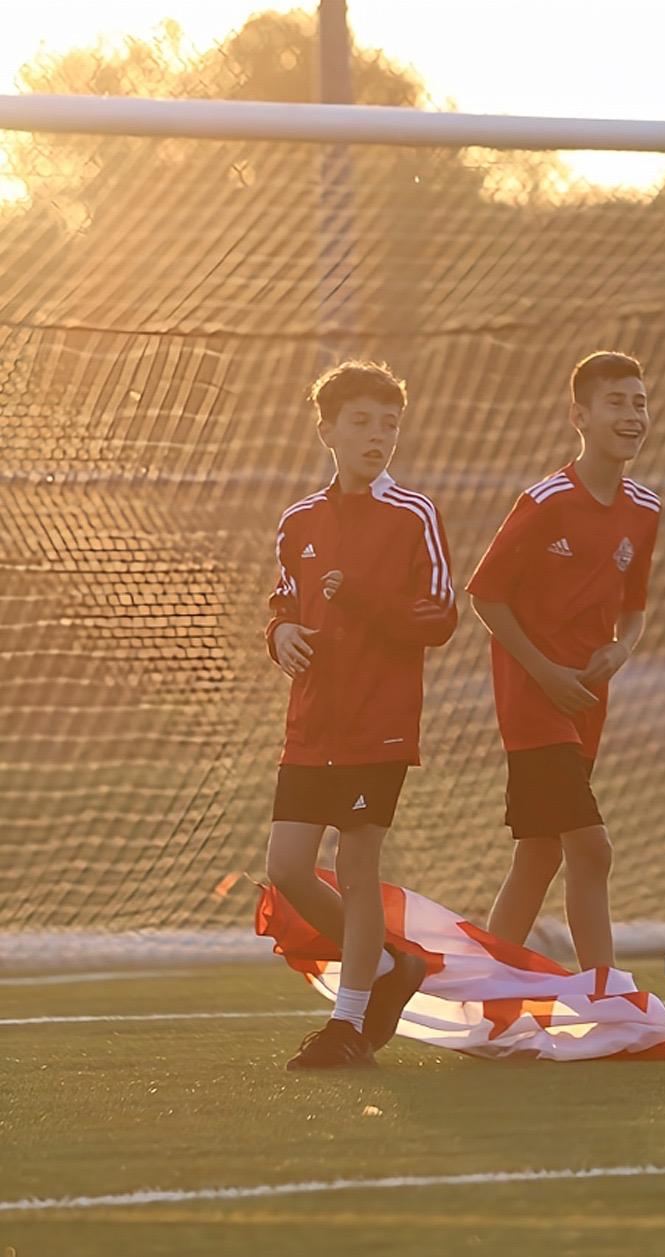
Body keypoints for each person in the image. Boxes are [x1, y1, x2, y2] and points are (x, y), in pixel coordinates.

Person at [264, 360, 456, 1069]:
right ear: (328, 431)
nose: (379, 435)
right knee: (286, 866)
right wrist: (280, 633)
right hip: (312, 722)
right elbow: (284, 600)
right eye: (363, 422)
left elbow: (441, 615)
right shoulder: (298, 520)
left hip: (379, 723)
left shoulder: (414, 514)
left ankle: (349, 1025)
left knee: (356, 865)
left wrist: (365, 597)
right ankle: (385, 967)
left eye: (390, 423)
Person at [467, 352, 660, 971]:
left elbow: (634, 608)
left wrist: (621, 649)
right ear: (579, 415)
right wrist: (545, 671)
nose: (632, 415)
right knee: (591, 848)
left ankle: (485, 984)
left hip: (585, 704)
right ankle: (604, 991)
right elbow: (486, 595)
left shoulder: (645, 509)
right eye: (616, 403)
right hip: (533, 703)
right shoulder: (545, 500)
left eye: (640, 402)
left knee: (540, 854)